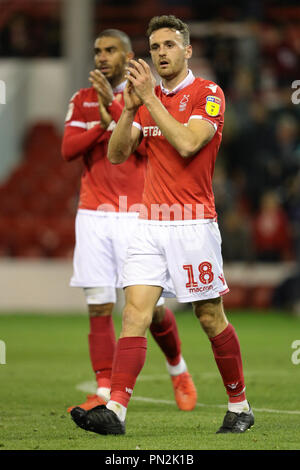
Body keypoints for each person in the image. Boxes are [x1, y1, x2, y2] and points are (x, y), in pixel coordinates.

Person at [70, 16, 254, 435]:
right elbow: (117, 155)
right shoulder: (146, 101)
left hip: (193, 225)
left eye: (170, 45)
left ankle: (239, 405)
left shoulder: (209, 94)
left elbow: (189, 143)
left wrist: (148, 99)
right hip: (149, 223)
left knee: (209, 317)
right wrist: (130, 109)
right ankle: (115, 411)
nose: (161, 53)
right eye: (155, 47)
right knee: (134, 313)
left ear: (187, 50)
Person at [61, 29, 197, 414]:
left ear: (127, 54)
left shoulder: (145, 96)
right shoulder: (82, 99)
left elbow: (143, 153)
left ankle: (178, 367)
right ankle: (105, 392)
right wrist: (103, 121)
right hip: (92, 213)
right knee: (98, 304)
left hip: (136, 212)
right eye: (97, 51)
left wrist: (115, 111)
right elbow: (68, 150)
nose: (101, 57)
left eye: (110, 50)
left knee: (149, 310)